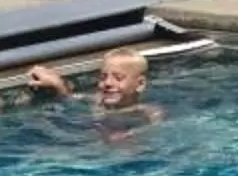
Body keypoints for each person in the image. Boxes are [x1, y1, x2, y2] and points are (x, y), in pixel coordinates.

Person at [25, 48, 160, 129]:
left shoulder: (148, 113)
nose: (108, 83)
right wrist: (58, 85)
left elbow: (151, 133)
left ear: (140, 84)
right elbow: (69, 98)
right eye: (103, 77)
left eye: (118, 78)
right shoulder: (96, 101)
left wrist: (130, 134)